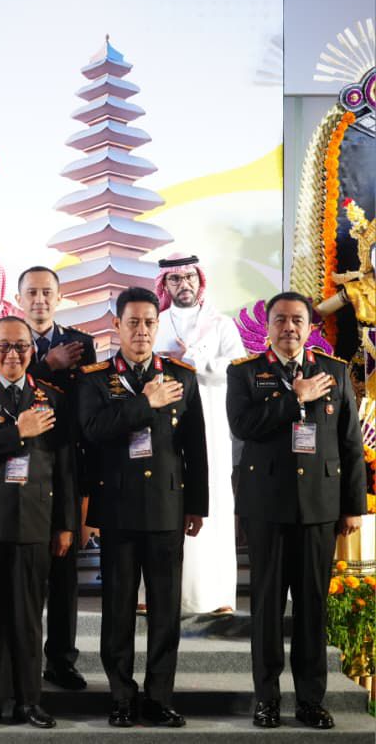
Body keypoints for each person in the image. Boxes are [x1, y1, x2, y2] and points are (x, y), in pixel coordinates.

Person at [227, 291, 365, 730]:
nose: (289, 327)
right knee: (266, 608)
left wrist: (352, 506)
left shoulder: (335, 371)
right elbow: (242, 426)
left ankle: (310, 700)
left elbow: (350, 442)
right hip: (266, 506)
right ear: (267, 326)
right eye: (280, 319)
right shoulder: (245, 372)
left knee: (311, 607)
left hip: (320, 507)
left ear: (310, 327)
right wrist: (295, 397)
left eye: (297, 320)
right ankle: (266, 699)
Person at [79, 287, 208, 729]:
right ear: (116, 325)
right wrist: (144, 402)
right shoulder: (95, 379)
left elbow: (195, 447)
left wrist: (197, 505)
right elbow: (93, 431)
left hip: (167, 508)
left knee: (165, 610)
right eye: (132, 322)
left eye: (149, 322)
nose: (141, 331)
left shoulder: (181, 376)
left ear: (158, 325)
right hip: (117, 509)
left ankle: (159, 696)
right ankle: (120, 695)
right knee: (117, 609)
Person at [0, 316, 76, 729]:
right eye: (3, 346)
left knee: (28, 615)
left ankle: (29, 701)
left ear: (32, 351)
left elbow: (65, 467)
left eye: (21, 346)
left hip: (35, 521)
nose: (12, 354)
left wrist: (65, 524)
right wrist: (18, 431)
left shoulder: (52, 397)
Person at [14, 265, 97, 691]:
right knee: (21, 574)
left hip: (65, 464)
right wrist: (46, 365)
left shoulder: (80, 344)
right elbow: (6, 393)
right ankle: (18, 660)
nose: (40, 300)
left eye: (47, 292)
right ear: (18, 298)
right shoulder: (6, 338)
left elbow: (87, 406)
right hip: (16, 466)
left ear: (59, 297)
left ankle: (62, 660)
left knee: (64, 573)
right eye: (31, 292)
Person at [153, 254, 245, 616]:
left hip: (211, 424)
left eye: (189, 277)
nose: (184, 284)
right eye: (175, 279)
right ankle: (158, 592)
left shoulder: (221, 324)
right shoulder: (155, 322)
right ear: (165, 285)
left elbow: (238, 368)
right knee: (164, 496)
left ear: (199, 279)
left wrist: (194, 360)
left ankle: (215, 594)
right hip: (166, 423)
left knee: (215, 500)